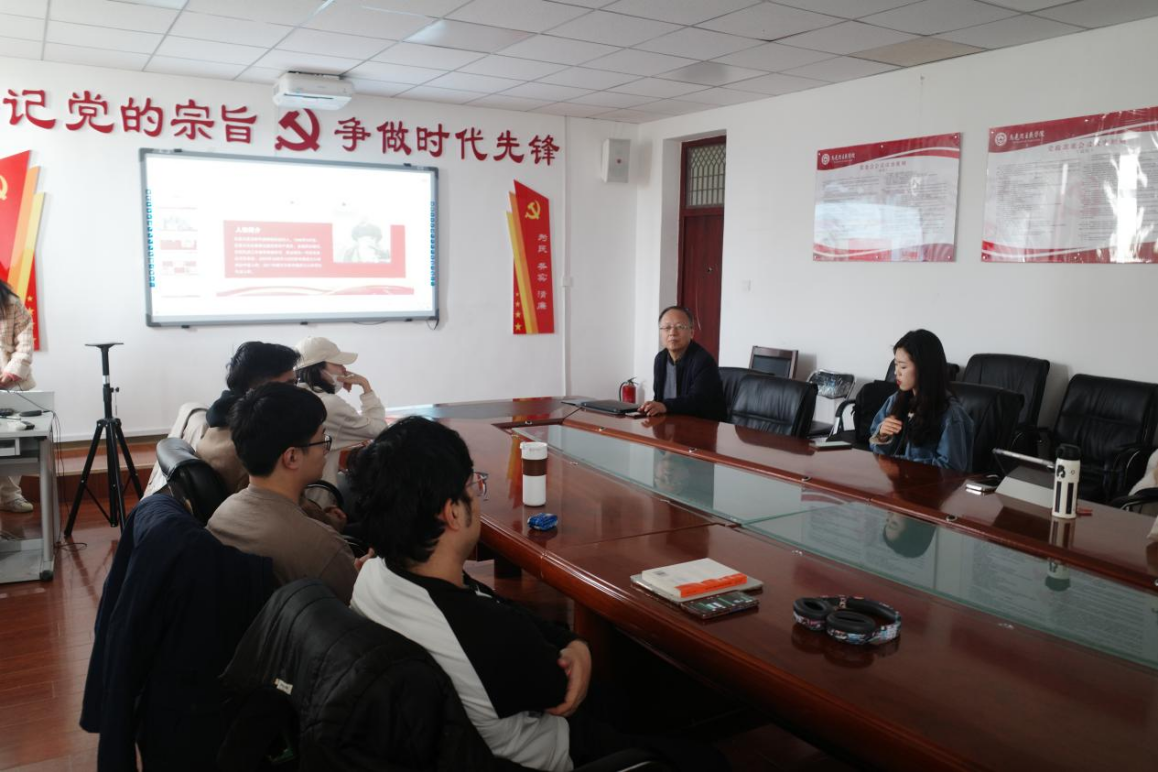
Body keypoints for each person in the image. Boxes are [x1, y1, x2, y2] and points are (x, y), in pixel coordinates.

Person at [349, 417, 726, 772]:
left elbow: (496, 605)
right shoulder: (487, 634)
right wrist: (580, 648)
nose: (478, 494)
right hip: (564, 751)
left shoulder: (375, 573)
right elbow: (561, 685)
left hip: (462, 736)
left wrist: (575, 644)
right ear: (452, 513)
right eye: (472, 485)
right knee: (704, 756)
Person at [207, 383, 360, 604]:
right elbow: (357, 606)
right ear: (292, 457)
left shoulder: (223, 511)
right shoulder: (321, 547)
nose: (325, 452)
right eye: (322, 440)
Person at [197, 341, 299, 493]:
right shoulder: (253, 447)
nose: (296, 393)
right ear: (256, 387)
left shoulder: (218, 424)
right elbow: (281, 501)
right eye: (289, 384)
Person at [869, 329, 973, 472]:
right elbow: (877, 450)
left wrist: (900, 465)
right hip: (896, 483)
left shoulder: (950, 414)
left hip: (929, 486)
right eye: (896, 364)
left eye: (903, 366)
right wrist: (882, 436)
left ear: (924, 368)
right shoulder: (895, 400)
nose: (896, 372)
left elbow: (951, 468)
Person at [295, 336, 387, 488]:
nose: (344, 369)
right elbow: (379, 430)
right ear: (318, 369)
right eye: (337, 364)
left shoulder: (295, 396)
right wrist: (365, 386)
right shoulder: (328, 404)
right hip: (321, 496)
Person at [640, 306, 726, 421]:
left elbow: (697, 401)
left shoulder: (703, 360)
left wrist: (665, 406)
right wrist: (650, 407)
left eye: (680, 327)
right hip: (668, 424)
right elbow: (659, 399)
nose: (672, 332)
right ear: (660, 333)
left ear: (691, 333)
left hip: (701, 426)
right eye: (667, 327)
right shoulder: (660, 359)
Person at [0, 279, 35, 512]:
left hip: (11, 384)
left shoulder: (11, 303)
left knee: (13, 441)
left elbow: (25, 344)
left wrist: (10, 373)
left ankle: (10, 497)